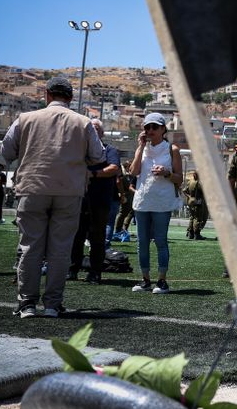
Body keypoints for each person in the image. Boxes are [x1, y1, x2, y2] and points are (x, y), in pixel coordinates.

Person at [1, 76, 104, 318]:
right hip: (69, 190)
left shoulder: (25, 119)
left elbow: (6, 151)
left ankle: (26, 303)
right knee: (60, 249)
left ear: (47, 94)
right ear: (70, 97)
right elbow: (98, 156)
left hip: (32, 187)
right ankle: (52, 304)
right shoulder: (83, 122)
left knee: (30, 247)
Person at [129, 112, 183, 295]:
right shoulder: (142, 148)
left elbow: (179, 178)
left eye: (154, 127)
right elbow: (134, 171)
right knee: (142, 243)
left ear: (163, 129)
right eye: (147, 127)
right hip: (143, 202)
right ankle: (145, 280)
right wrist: (139, 147)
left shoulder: (172, 150)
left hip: (162, 202)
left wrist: (166, 172)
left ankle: (162, 281)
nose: (150, 130)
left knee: (160, 241)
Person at [69, 119, 120, 284]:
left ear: (102, 133)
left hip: (100, 201)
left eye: (96, 128)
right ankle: (72, 269)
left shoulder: (109, 149)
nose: (93, 131)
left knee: (97, 238)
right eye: (90, 128)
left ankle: (95, 272)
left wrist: (93, 174)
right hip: (79, 198)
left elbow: (114, 169)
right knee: (76, 236)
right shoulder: (79, 151)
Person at [184, 170, 209, 240]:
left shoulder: (190, 182)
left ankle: (190, 233)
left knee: (192, 217)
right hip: (198, 201)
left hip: (191, 201)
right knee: (198, 218)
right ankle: (196, 234)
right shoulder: (199, 183)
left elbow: (184, 191)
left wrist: (189, 196)